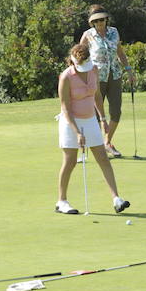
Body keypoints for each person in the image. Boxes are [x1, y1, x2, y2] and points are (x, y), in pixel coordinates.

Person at [56, 43, 130, 215]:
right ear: (74, 62)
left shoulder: (93, 70)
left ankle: (116, 199)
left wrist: (103, 118)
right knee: (70, 161)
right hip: (70, 123)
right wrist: (77, 132)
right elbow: (65, 108)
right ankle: (61, 201)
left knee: (103, 158)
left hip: (90, 120)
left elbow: (96, 95)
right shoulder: (66, 77)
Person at [79, 4, 136, 158]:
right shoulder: (88, 35)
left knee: (116, 112)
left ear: (106, 19)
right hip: (95, 78)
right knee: (95, 115)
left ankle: (107, 142)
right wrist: (80, 76)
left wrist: (129, 70)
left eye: (102, 20)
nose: (99, 23)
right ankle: (96, 146)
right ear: (92, 23)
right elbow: (79, 57)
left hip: (115, 75)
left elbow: (120, 52)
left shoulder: (114, 32)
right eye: (96, 21)